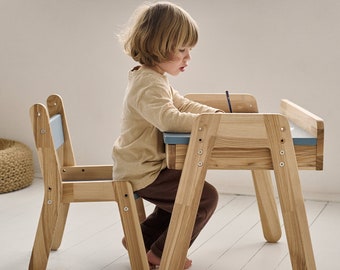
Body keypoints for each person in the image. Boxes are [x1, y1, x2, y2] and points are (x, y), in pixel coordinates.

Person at [113, 2, 220, 269]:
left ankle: (142, 237)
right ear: (157, 45)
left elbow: (182, 105)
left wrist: (214, 115)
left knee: (188, 188)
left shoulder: (154, 77)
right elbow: (169, 118)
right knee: (202, 197)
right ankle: (162, 254)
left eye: (189, 50)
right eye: (182, 50)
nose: (188, 58)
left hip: (144, 167)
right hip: (142, 172)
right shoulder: (148, 82)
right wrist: (209, 125)